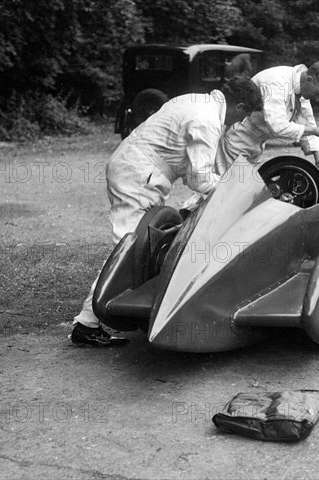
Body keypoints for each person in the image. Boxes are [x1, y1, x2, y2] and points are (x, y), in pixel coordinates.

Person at [71, 76, 264, 346]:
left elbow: (190, 165)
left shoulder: (194, 100)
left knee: (137, 246)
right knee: (128, 250)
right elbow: (199, 179)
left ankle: (124, 312)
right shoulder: (207, 120)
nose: (240, 123)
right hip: (138, 173)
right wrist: (233, 193)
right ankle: (86, 323)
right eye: (244, 117)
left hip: (136, 166)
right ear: (241, 106)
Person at [216, 61, 319, 172]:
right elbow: (277, 126)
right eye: (318, 93)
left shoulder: (302, 87)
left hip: (256, 144)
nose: (317, 99)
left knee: (245, 188)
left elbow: (306, 120)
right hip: (237, 140)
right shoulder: (276, 83)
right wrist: (317, 131)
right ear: (309, 80)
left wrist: (318, 156)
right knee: (228, 189)